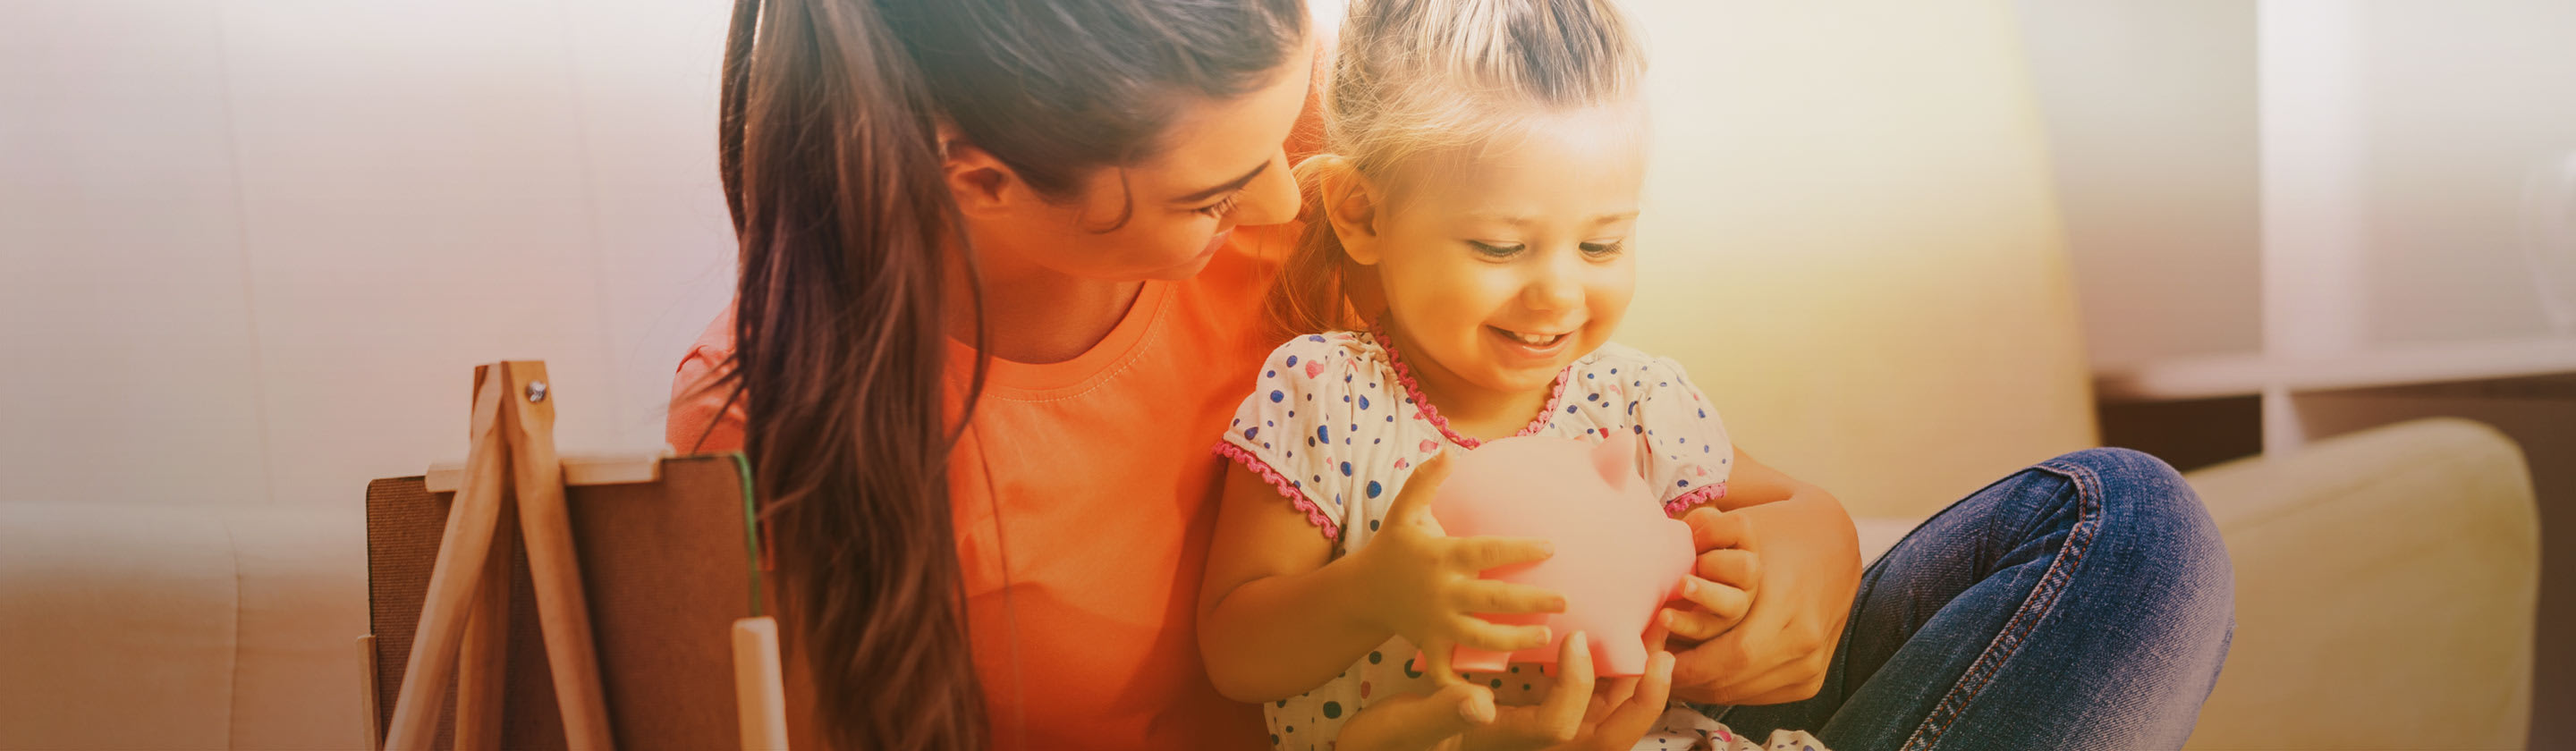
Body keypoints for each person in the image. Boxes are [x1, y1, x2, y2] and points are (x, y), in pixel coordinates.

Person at [669, 1, 2236, 749]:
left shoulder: (1295, 172)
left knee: (2126, 532)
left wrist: (1804, 551)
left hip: (1624, 711)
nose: (1292, 217)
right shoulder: (782, 441)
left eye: (1295, 149)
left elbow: (1670, 470)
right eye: (1218, 194)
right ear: (980, 174)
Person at [1193, 1, 1823, 748]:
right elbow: (1234, 654)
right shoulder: (1324, 396)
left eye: (1600, 245)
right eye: (1499, 248)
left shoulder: (1638, 403)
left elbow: (1777, 522)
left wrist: (1729, 591)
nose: (1559, 293)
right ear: (1363, 215)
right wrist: (1373, 593)